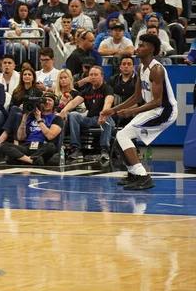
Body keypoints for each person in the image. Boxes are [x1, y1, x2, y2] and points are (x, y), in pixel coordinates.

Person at [101, 34, 177, 190]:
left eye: (142, 46)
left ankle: (143, 176)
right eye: (138, 45)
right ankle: (133, 173)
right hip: (153, 109)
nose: (138, 48)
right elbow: (137, 96)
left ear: (151, 49)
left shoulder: (156, 69)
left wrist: (131, 112)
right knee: (119, 139)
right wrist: (113, 110)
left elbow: (157, 101)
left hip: (164, 111)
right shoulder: (141, 67)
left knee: (123, 135)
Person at [58, 66, 115, 162]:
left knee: (107, 117)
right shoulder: (87, 90)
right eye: (91, 75)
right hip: (90, 119)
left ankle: (104, 149)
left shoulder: (107, 88)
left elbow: (108, 102)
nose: (93, 77)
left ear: (102, 77)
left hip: (104, 119)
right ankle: (75, 148)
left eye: (96, 75)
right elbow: (73, 103)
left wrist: (103, 114)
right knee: (73, 115)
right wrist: (63, 112)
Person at [0, 92, 64, 166]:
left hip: (42, 146)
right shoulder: (31, 117)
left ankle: (22, 159)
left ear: (54, 103)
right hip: (28, 146)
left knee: (51, 146)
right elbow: (20, 137)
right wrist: (24, 119)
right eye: (44, 100)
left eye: (49, 100)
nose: (46, 102)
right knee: (3, 145)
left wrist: (39, 119)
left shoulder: (57, 118)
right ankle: (32, 160)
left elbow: (50, 136)